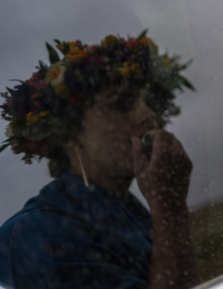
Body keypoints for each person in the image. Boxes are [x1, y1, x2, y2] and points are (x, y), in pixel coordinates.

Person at [0, 33, 197, 289]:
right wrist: (170, 208)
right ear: (69, 135)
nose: (149, 115)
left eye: (148, 103)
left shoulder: (126, 207)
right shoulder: (38, 234)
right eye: (121, 103)